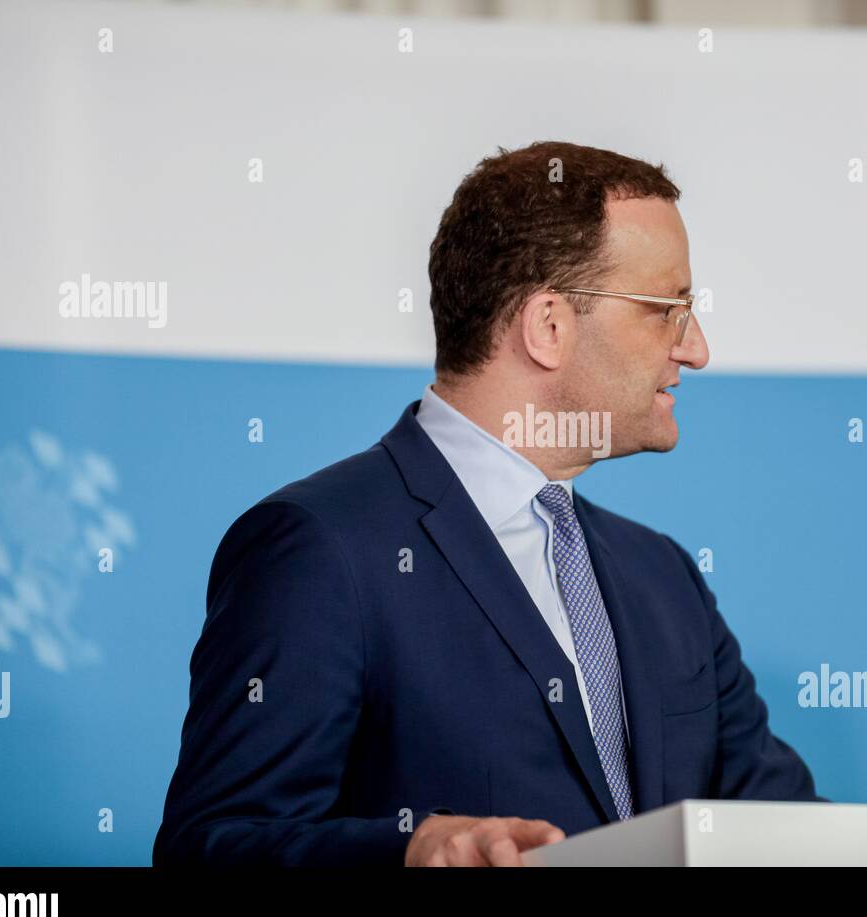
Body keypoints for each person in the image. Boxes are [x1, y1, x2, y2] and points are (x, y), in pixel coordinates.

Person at [154, 141, 824, 868]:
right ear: (548, 327)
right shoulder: (321, 550)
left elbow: (783, 831)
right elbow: (212, 850)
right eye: (667, 310)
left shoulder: (662, 576)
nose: (696, 348)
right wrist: (410, 851)